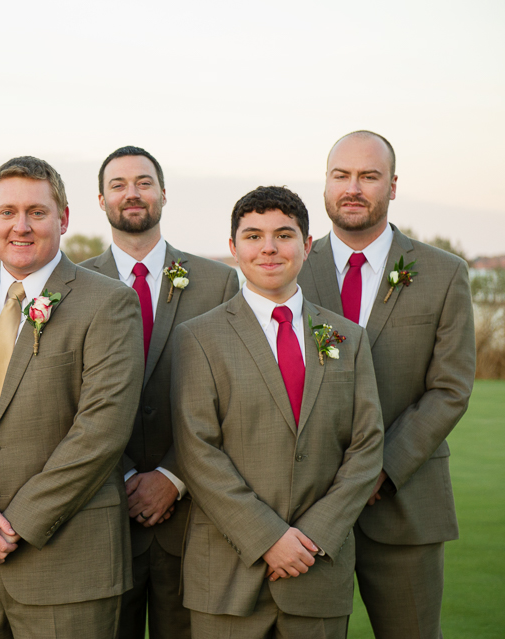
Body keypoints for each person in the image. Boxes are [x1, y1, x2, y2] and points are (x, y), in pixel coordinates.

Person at [0, 156, 144, 638]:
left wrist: (16, 523)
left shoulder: (108, 302)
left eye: (37, 212)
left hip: (67, 566)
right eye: (7, 212)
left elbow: (101, 431)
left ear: (64, 218)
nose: (21, 226)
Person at [172, 185, 384, 639]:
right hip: (227, 577)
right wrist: (268, 538)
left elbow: (367, 448)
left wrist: (314, 537)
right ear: (233, 249)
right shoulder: (198, 338)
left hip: (317, 567)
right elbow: (197, 452)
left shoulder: (348, 338)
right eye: (253, 236)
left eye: (283, 235)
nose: (268, 248)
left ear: (307, 246)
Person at [298, 131, 476, 638]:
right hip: (305, 507)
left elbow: (451, 388)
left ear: (392, 186)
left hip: (404, 502)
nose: (353, 188)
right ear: (327, 184)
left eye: (369, 177)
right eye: (342, 175)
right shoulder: (287, 267)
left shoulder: (444, 274)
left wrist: (380, 467)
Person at [80, 145, 239, 639]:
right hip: (100, 509)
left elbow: (235, 398)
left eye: (144, 182)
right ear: (101, 200)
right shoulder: (70, 286)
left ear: (164, 194)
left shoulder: (218, 283)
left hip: (193, 516)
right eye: (119, 185)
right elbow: (63, 401)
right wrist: (125, 471)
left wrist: (172, 474)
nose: (132, 193)